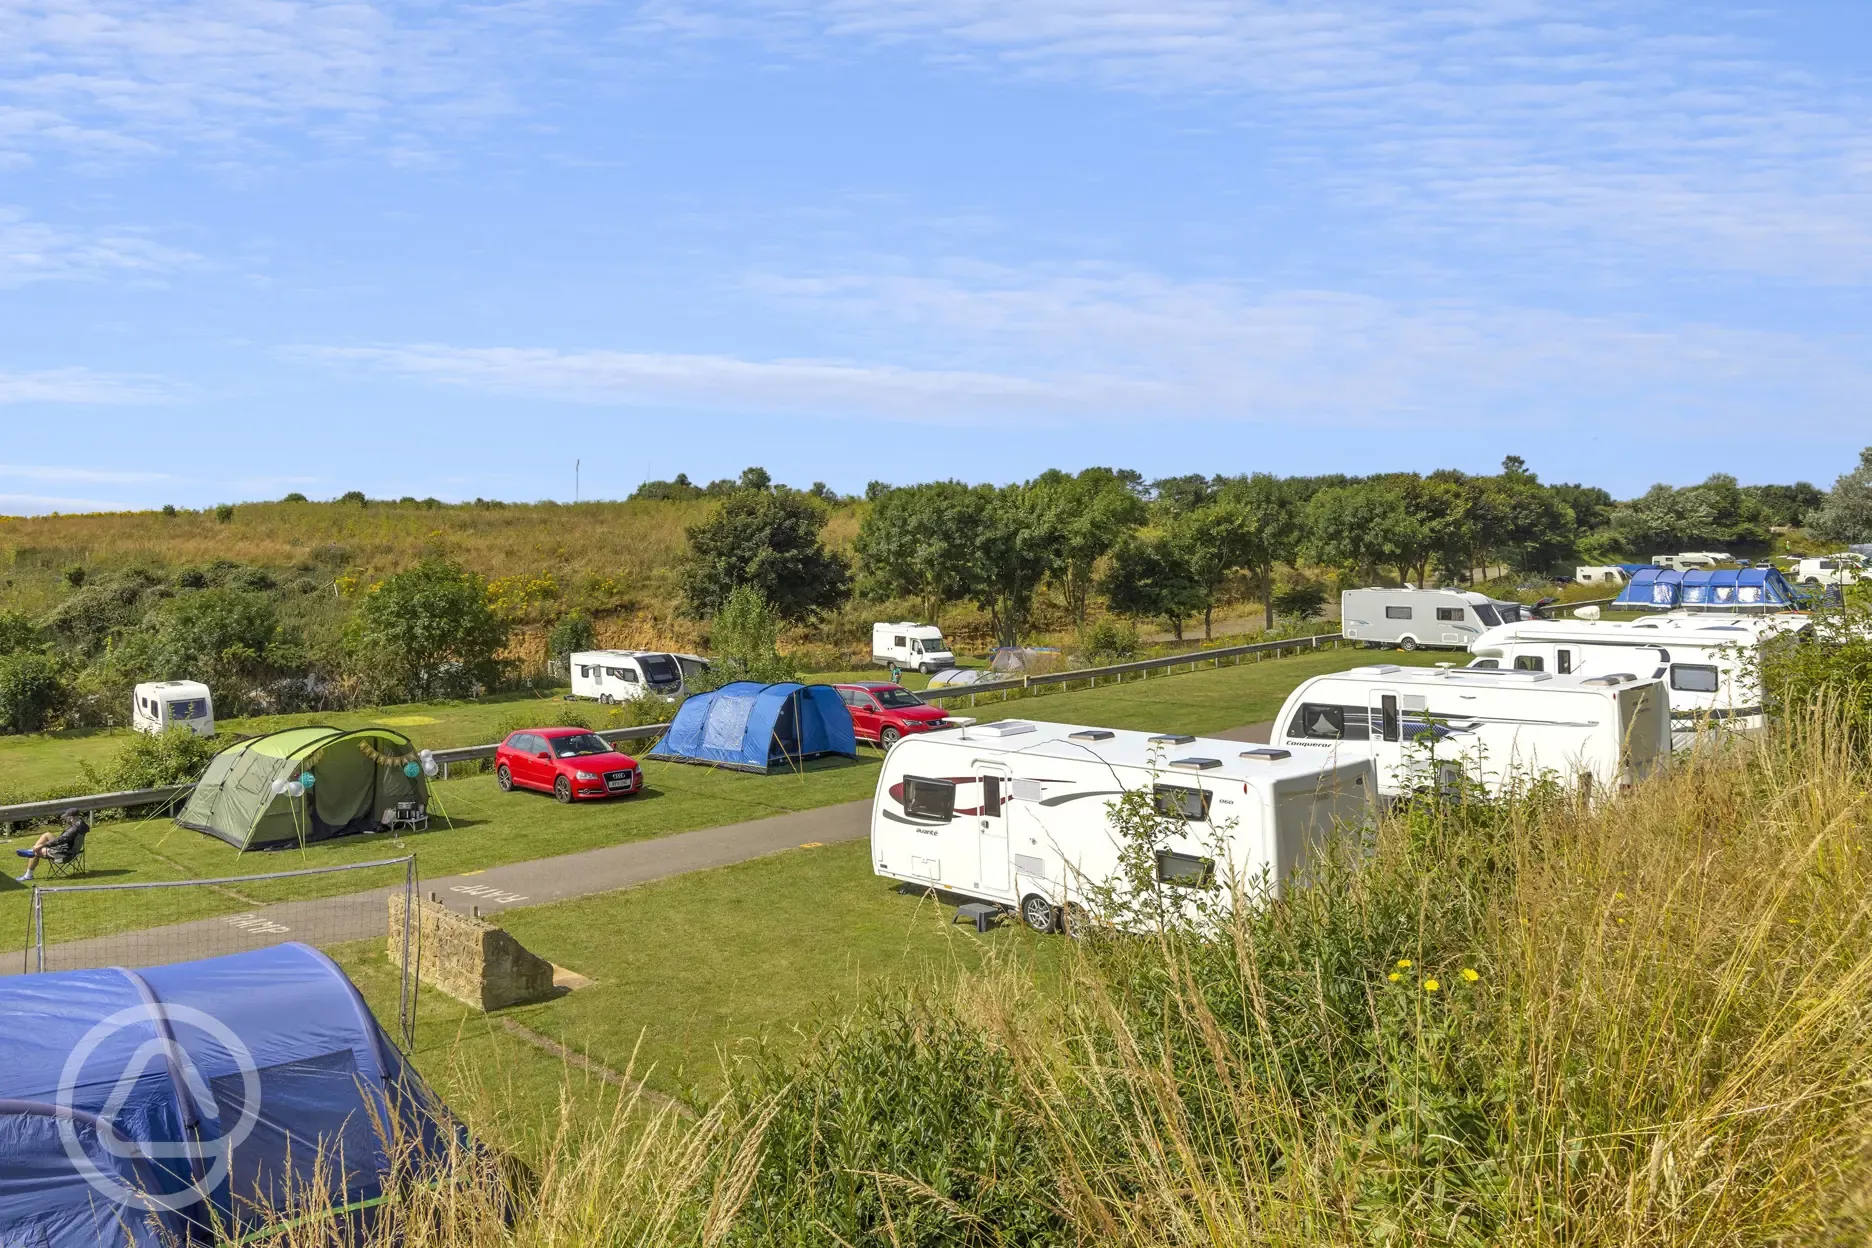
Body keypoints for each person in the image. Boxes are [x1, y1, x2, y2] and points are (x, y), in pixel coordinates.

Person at [15, 810, 86, 882]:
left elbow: (60, 840)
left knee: (37, 851)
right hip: (71, 849)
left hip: (65, 853)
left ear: (71, 818)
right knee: (47, 834)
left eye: (66, 817)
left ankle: (28, 875)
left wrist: (41, 846)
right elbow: (63, 840)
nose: (65, 819)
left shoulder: (73, 829)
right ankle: (31, 851)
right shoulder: (81, 824)